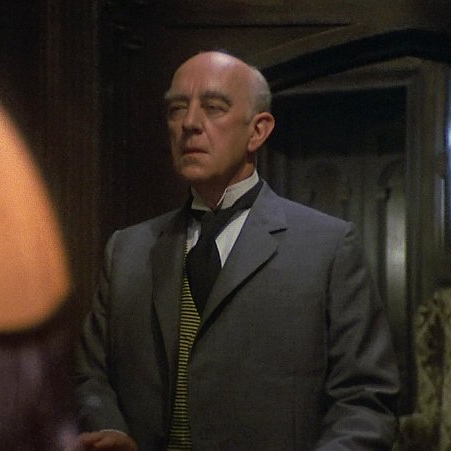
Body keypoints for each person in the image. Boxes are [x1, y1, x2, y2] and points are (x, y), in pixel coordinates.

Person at [73, 50, 399, 450]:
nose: (189, 123)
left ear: (257, 131)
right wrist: (112, 430)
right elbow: (90, 374)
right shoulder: (128, 250)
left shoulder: (327, 248)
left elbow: (365, 401)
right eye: (177, 109)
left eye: (213, 107)